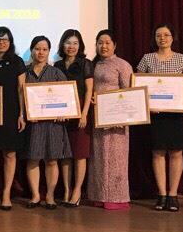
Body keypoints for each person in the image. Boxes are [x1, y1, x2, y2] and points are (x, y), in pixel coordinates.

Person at [137, 23, 183, 212]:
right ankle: (161, 194)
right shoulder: (147, 59)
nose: (163, 38)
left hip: (177, 113)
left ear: (172, 38)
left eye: (166, 35)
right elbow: (139, 85)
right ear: (154, 38)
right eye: (158, 35)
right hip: (155, 114)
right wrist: (147, 103)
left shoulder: (182, 59)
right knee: (158, 152)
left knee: (176, 153)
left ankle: (173, 194)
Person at [23, 36, 71, 210]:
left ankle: (50, 195)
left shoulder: (56, 72)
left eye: (44, 49)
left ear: (49, 51)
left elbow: (67, 96)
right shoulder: (24, 73)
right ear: (31, 50)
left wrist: (63, 112)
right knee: (33, 159)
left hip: (53, 124)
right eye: (37, 49)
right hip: (33, 123)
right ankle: (35, 195)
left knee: (52, 160)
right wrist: (26, 113)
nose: (40, 52)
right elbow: (20, 97)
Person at [88, 29, 133, 210]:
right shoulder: (93, 65)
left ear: (115, 45)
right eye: (100, 43)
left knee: (116, 159)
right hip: (98, 118)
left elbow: (129, 92)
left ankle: (116, 197)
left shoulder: (122, 65)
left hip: (117, 120)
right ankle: (99, 195)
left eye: (107, 43)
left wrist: (122, 114)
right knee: (98, 157)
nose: (103, 46)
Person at [0, 26, 27, 210]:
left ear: (10, 42)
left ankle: (6, 194)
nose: (1, 42)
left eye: (5, 39)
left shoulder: (17, 61)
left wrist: (22, 114)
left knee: (10, 154)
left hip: (12, 112)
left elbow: (21, 89)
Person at [54, 29, 94, 207]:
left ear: (80, 46)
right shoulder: (57, 65)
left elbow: (89, 90)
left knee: (79, 154)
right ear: (63, 44)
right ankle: (67, 190)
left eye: (75, 43)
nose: (71, 46)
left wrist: (84, 114)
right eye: (68, 43)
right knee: (65, 155)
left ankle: (77, 190)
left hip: (80, 113)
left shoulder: (85, 63)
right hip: (63, 114)